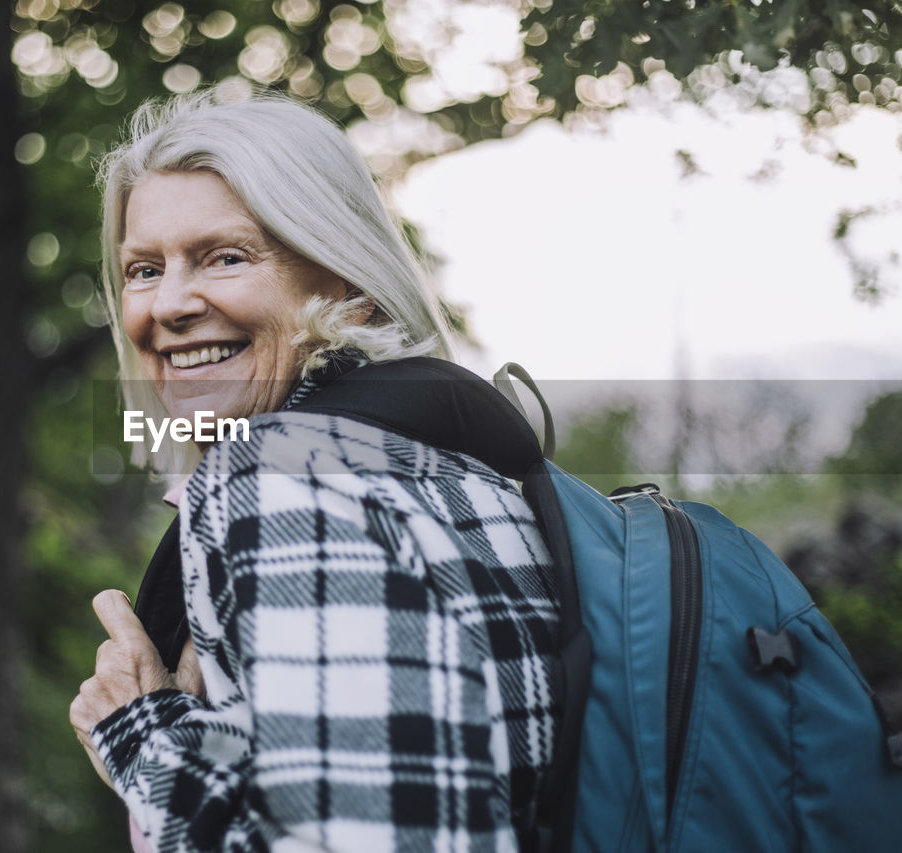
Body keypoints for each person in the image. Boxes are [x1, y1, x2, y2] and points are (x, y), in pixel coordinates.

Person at [70, 90, 561, 852]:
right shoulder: (453, 468)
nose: (166, 305)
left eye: (224, 258)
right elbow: (357, 763)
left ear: (348, 288)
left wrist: (138, 733)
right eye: (143, 269)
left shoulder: (283, 479)